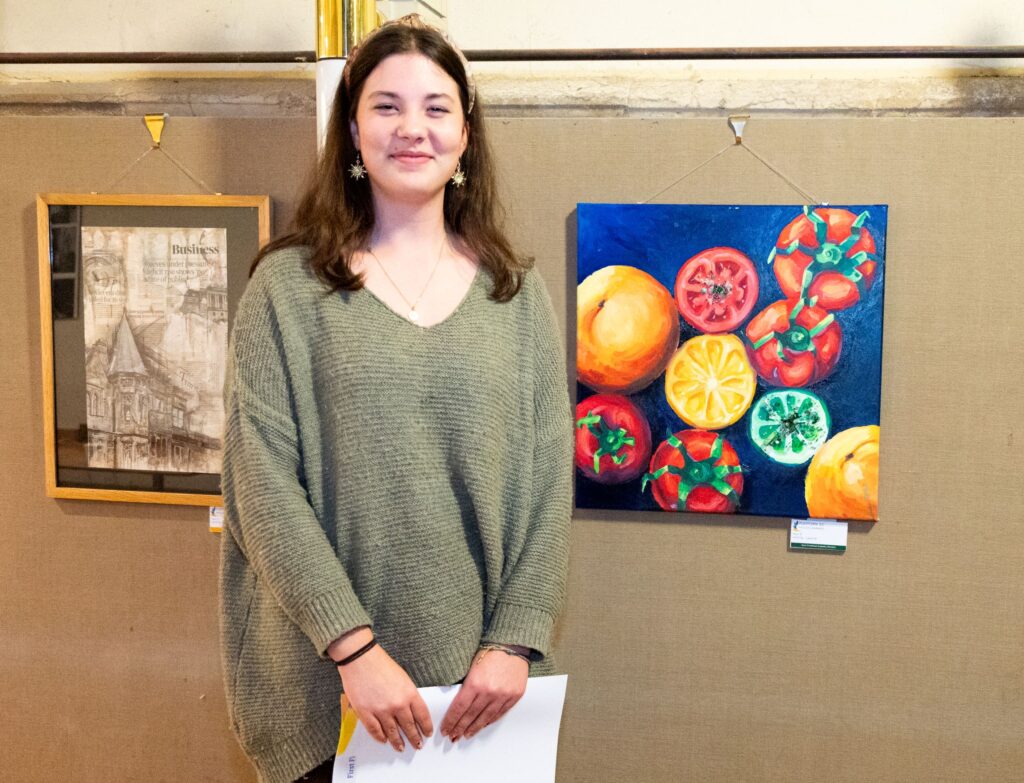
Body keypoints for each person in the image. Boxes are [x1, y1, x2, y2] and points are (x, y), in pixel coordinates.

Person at [218, 15, 574, 783]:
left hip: (483, 698)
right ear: (352, 131)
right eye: (386, 106)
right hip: (328, 693)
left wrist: (514, 640)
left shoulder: (516, 294)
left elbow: (550, 483)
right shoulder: (287, 288)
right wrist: (354, 648)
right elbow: (262, 486)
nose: (412, 127)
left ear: (466, 135)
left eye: (436, 107)